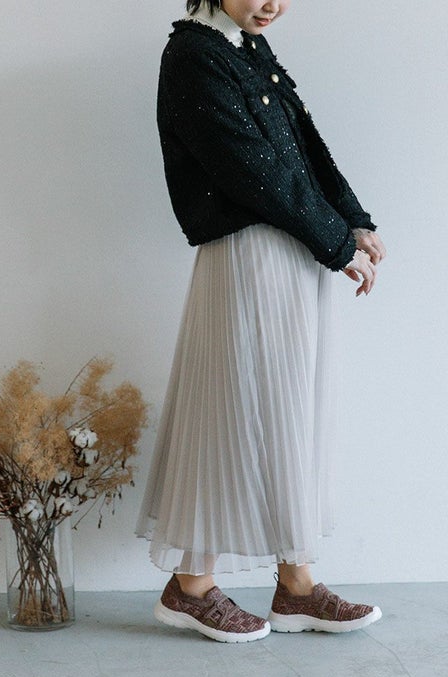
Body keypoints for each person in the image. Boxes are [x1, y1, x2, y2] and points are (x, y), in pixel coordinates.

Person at [136, 0, 387, 643]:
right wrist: (337, 242)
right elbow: (250, 166)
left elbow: (302, 145)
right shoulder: (194, 54)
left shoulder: (244, 45)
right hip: (249, 254)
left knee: (288, 411)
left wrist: (353, 221)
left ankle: (296, 588)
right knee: (232, 411)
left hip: (292, 249)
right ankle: (191, 586)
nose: (272, 3)